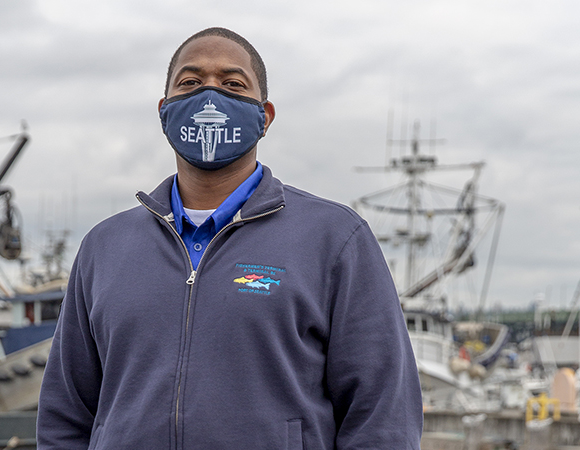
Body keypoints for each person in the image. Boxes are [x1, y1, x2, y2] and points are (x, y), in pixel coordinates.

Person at [37, 27, 423, 449]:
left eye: (232, 83)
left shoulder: (335, 239)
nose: (209, 94)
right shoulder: (104, 247)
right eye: (191, 82)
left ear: (265, 115)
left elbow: (383, 415)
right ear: (165, 110)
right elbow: (65, 414)